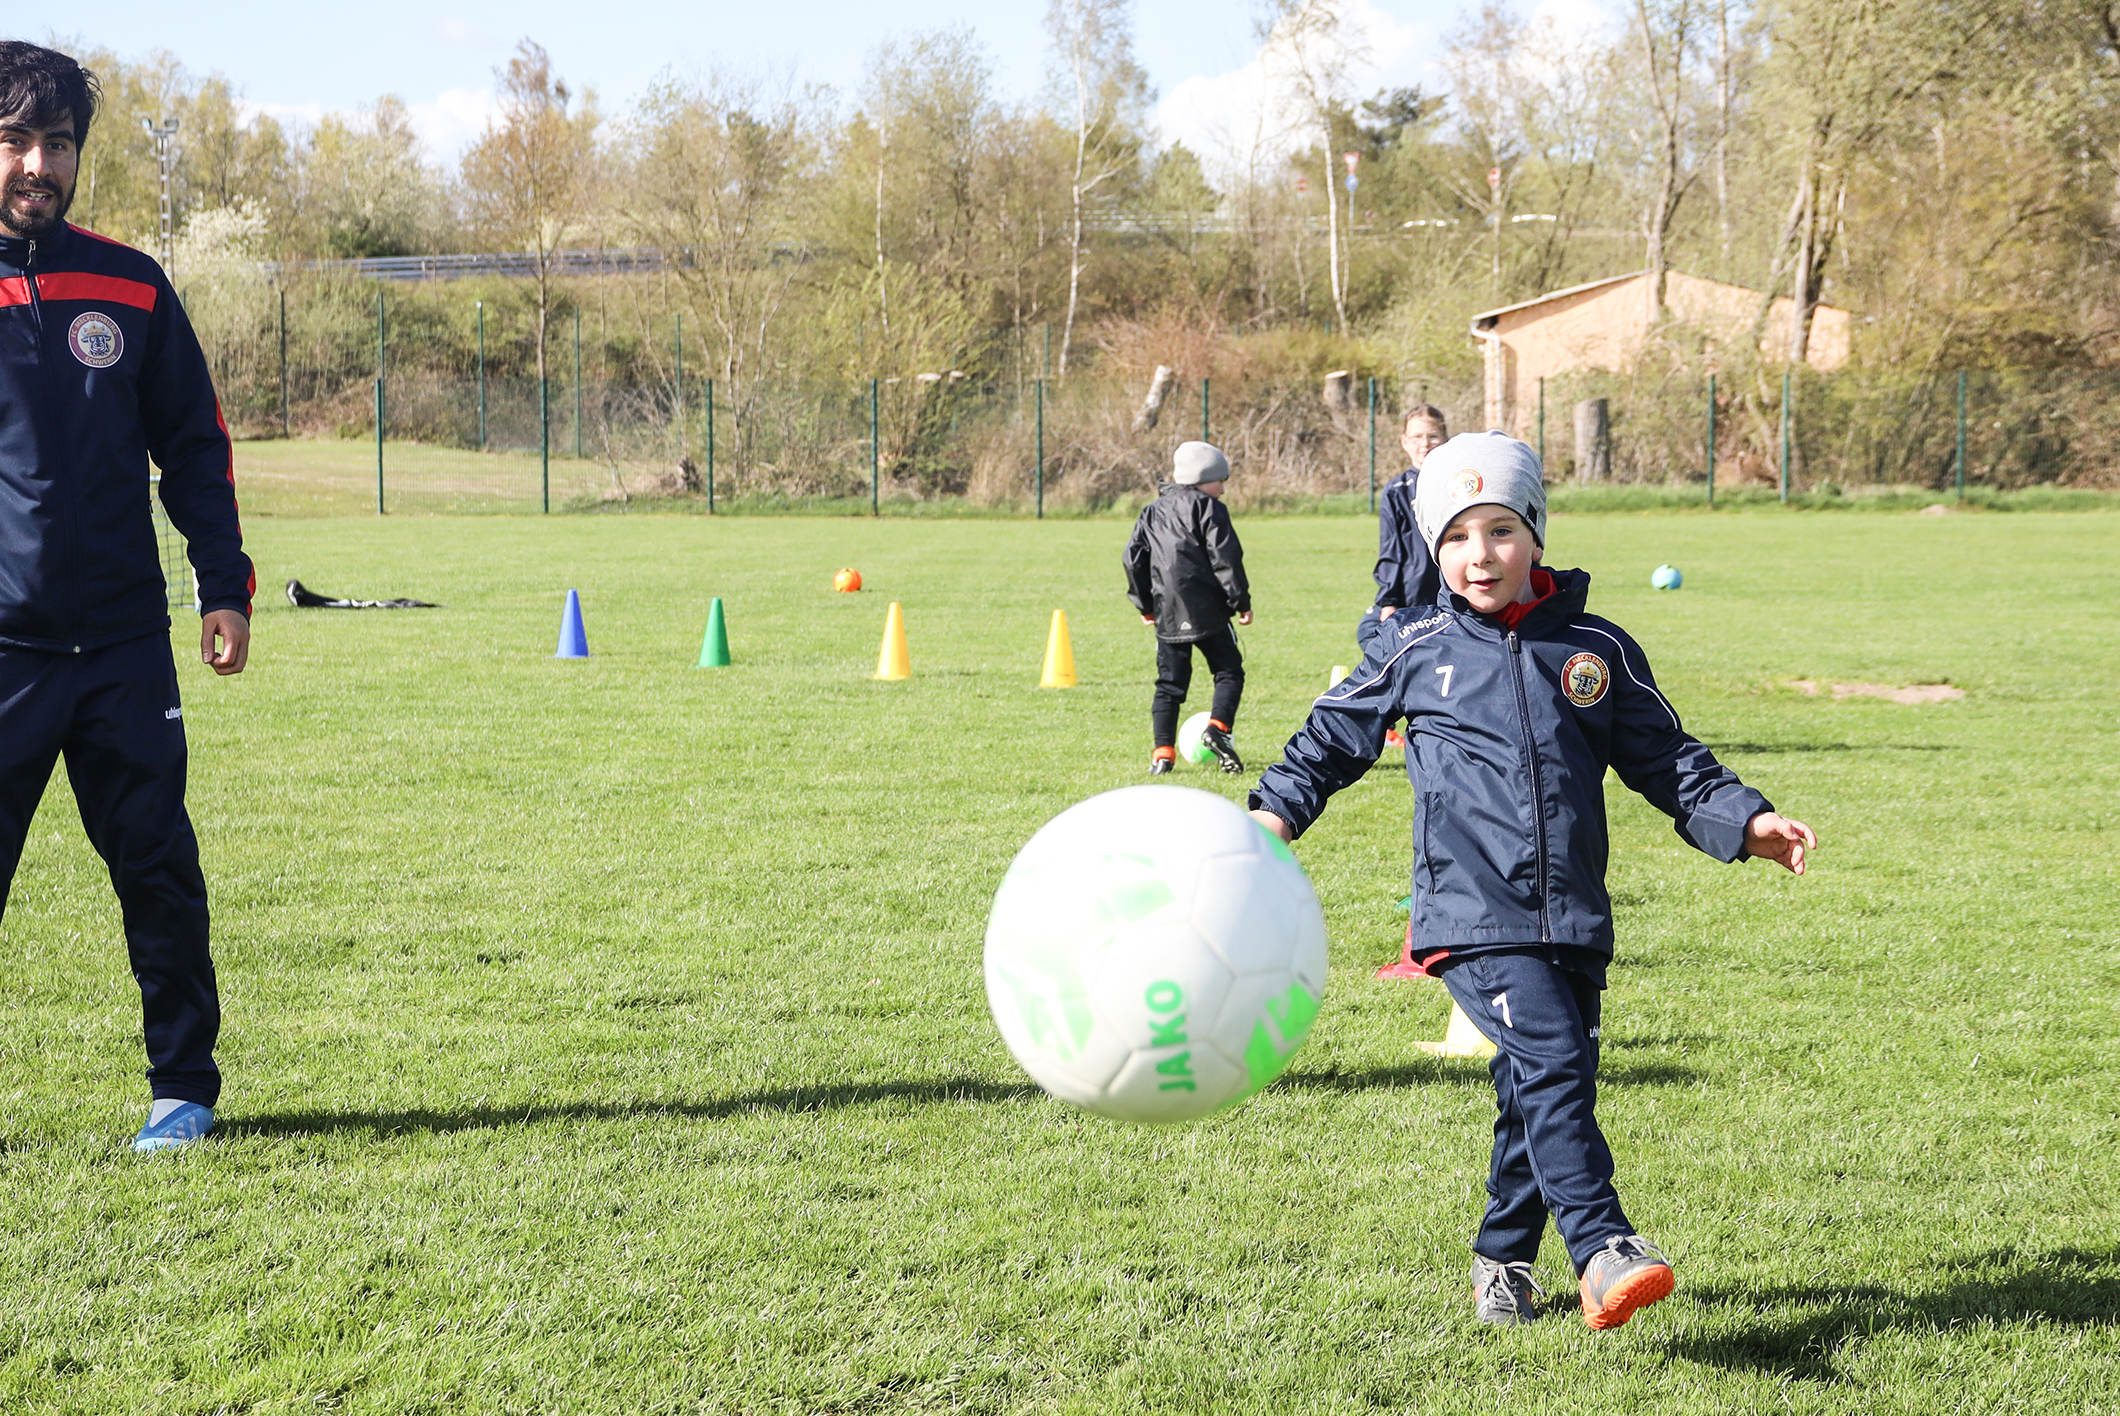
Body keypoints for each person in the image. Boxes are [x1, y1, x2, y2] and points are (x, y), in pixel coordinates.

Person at [1247, 432, 1815, 1329]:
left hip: (1573, 914)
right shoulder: (1415, 647)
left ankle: (1502, 1262)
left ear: (1537, 536)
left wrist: (1745, 822)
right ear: (1435, 549)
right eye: (1459, 537)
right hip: (1470, 913)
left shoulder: (1595, 650)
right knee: (1552, 1064)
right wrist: (1271, 818)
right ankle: (1602, 1246)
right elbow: (1329, 739)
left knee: (1540, 1084)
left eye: (1502, 530)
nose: (1482, 555)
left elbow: (1666, 757)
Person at [0, 43, 255, 1152]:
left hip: (119, 650)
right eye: (15, 139)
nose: (35, 163)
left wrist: (224, 586)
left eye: (56, 143)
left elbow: (194, 446)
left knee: (158, 867)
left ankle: (181, 1087)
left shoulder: (133, 283)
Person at [1122, 441, 1251, 776]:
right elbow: (1226, 558)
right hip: (1210, 612)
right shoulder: (1209, 508)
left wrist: (1145, 604)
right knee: (1229, 671)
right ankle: (1218, 729)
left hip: (1167, 611)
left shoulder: (1152, 510)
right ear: (1200, 479)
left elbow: (1133, 558)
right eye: (1219, 481)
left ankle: (1162, 753)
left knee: (1169, 685)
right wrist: (1241, 602)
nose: (1222, 489)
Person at [1356, 403, 1449, 655]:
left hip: (1451, 589)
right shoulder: (1397, 490)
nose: (1425, 444)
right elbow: (1391, 549)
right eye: (1417, 437)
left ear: (1445, 439)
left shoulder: (1457, 484)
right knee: (1369, 631)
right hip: (1412, 592)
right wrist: (1390, 601)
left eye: (1432, 436)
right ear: (1404, 442)